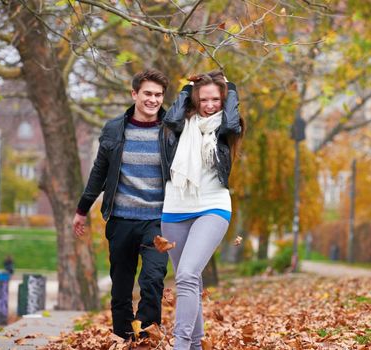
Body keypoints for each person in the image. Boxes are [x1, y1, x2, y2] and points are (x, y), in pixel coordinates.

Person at [72, 68, 170, 340]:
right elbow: (99, 172)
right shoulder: (114, 128)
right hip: (121, 220)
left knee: (152, 281)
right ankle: (124, 338)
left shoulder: (172, 130)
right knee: (121, 289)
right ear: (134, 94)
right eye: (148, 93)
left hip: (158, 221)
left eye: (159, 95)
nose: (153, 100)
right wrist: (82, 210)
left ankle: (147, 338)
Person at [161, 70, 244, 349]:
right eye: (204, 99)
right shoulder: (182, 124)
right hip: (174, 208)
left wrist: (230, 88)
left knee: (186, 274)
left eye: (216, 99)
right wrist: (186, 88)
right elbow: (170, 118)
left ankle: (180, 344)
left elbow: (232, 122)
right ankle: (194, 346)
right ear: (195, 99)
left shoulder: (226, 126)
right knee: (189, 281)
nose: (210, 105)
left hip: (213, 205)